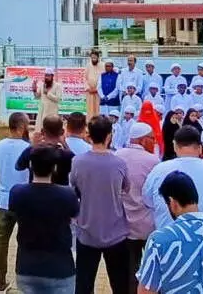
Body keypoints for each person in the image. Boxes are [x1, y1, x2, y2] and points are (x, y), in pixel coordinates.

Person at [69, 115, 131, 293]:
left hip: (86, 230)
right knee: (120, 285)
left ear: (89, 135)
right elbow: (126, 187)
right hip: (116, 231)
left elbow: (73, 185)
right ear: (109, 136)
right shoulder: (119, 163)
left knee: (84, 283)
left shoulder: (78, 162)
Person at [10, 145, 80, 293]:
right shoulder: (67, 195)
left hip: (26, 266)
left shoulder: (17, 193)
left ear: (30, 165)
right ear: (55, 168)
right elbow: (75, 215)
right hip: (60, 267)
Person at [143, 125, 203, 228]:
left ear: (174, 145)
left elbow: (148, 202)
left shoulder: (158, 171)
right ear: (200, 147)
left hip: (170, 241)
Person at [115, 122, 158, 292]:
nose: (153, 143)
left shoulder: (117, 155)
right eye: (152, 139)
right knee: (148, 269)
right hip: (148, 222)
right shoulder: (153, 161)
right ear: (143, 140)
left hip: (123, 221)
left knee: (128, 267)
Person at [0, 112, 31, 292]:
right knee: (24, 242)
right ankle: (22, 281)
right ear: (22, 126)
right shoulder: (28, 148)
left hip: (3, 199)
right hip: (23, 201)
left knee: (2, 241)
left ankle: (0, 280)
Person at [16, 115, 75, 185]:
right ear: (62, 132)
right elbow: (76, 164)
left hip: (35, 193)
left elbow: (18, 166)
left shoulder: (32, 151)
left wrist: (32, 144)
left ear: (42, 131)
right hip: (60, 194)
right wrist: (64, 143)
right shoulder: (66, 155)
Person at [86, 49, 103, 118]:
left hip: (99, 92)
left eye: (95, 58)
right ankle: (89, 123)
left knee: (98, 108)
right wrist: (88, 88)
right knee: (90, 109)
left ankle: (98, 124)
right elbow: (85, 78)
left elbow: (103, 79)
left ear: (98, 57)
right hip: (90, 92)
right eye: (92, 58)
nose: (93, 59)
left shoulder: (103, 65)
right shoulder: (88, 65)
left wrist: (97, 89)